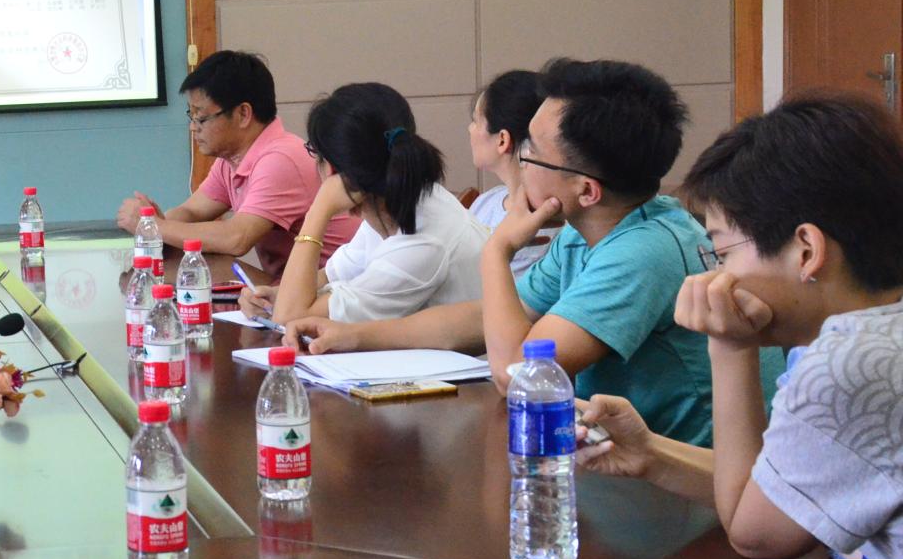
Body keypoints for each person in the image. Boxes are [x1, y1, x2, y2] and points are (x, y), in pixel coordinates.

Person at [282, 58, 781, 446]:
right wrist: (355, 336)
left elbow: (518, 374)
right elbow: (481, 319)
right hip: (618, 464)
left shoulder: (643, 251)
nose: (518, 162)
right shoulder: (587, 231)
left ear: (586, 190)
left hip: (687, 494)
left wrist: (497, 251)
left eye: (530, 153)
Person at [574, 93, 903, 559]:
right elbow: (779, 496)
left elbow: (756, 535)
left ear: (806, 250)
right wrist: (652, 454)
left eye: (723, 253)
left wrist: (730, 348)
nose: (715, 276)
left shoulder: (849, 362)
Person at [239, 83, 485, 325]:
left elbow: (291, 317)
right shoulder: (398, 201)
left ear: (332, 170)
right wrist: (278, 296)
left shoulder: (422, 244)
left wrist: (318, 211)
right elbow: (329, 276)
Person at [116, 50, 357, 268]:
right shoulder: (230, 160)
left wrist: (154, 227)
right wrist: (156, 222)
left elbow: (237, 238)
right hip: (291, 285)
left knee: (196, 271)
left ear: (243, 114)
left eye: (201, 117)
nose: (193, 127)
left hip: (335, 288)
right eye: (191, 115)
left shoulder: (280, 160)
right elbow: (191, 211)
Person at [465, 69, 551, 277]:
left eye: (476, 120)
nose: (470, 129)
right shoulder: (486, 201)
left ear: (502, 140)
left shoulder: (546, 225)